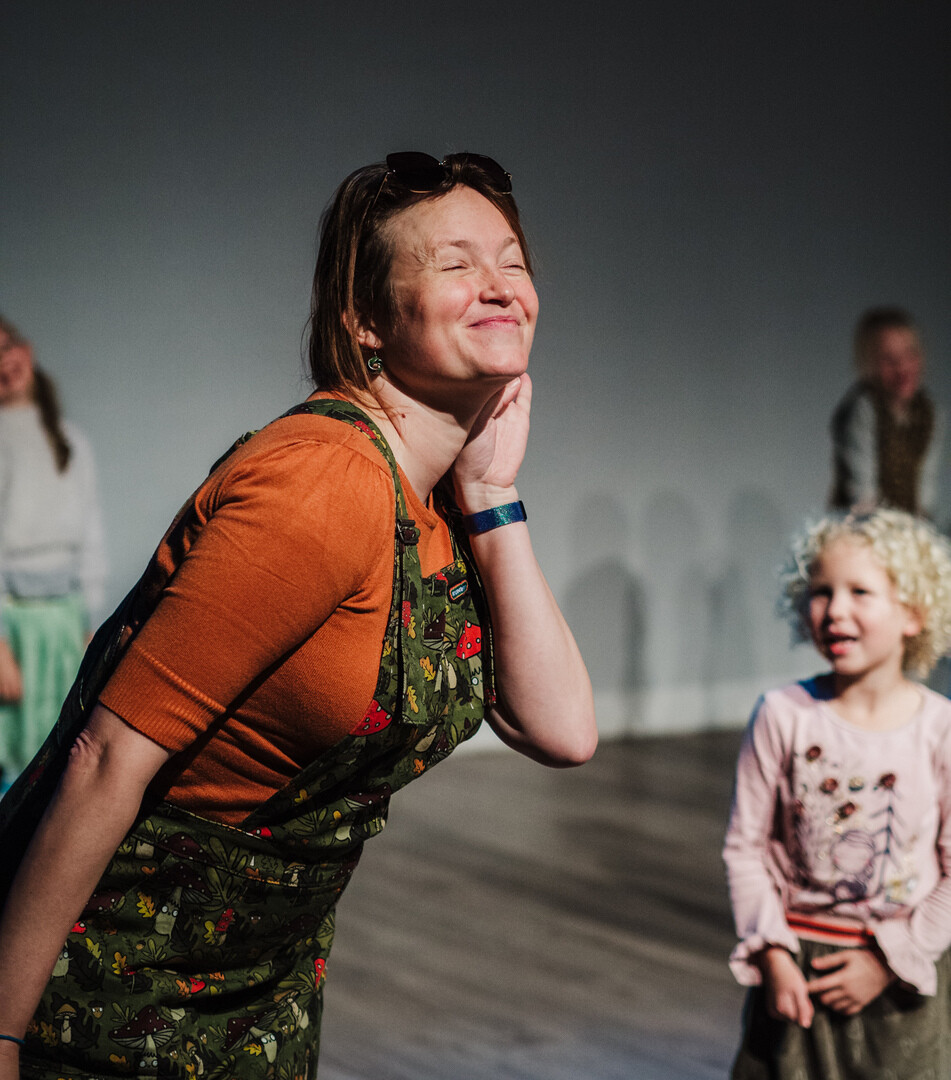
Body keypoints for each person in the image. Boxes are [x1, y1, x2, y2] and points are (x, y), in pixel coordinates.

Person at [0, 152, 597, 1079]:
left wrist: (493, 495)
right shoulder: (323, 483)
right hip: (104, 987)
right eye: (455, 263)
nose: (498, 286)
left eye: (512, 262)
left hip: (258, 987)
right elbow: (106, 757)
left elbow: (560, 730)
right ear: (364, 318)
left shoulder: (439, 502)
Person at [723, 508, 951, 1079]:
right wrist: (772, 953)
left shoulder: (940, 730)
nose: (835, 610)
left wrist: (887, 960)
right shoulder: (783, 714)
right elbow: (745, 848)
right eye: (821, 592)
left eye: (860, 592)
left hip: (900, 978)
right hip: (794, 967)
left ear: (914, 613)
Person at [0, 318, 106, 793]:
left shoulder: (70, 440)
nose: (3, 362)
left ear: (25, 350)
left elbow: (90, 535)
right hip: (13, 625)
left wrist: (90, 624)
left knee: (59, 753)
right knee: (13, 754)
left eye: (6, 347)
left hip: (65, 622)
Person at [829, 306, 944, 518]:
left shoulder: (929, 412)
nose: (902, 368)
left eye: (910, 354)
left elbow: (926, 484)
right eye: (889, 360)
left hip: (907, 522)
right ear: (869, 364)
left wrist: (919, 525)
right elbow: (861, 492)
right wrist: (881, 528)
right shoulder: (863, 409)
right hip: (861, 521)